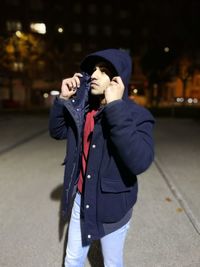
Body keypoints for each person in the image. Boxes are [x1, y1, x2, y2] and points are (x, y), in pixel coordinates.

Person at [49, 48, 155, 267]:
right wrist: (63, 99)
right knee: (72, 259)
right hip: (81, 197)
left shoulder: (138, 115)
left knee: (112, 263)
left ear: (119, 80)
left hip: (114, 206)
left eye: (104, 71)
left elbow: (140, 161)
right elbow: (57, 131)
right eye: (93, 70)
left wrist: (115, 107)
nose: (94, 75)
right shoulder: (84, 108)